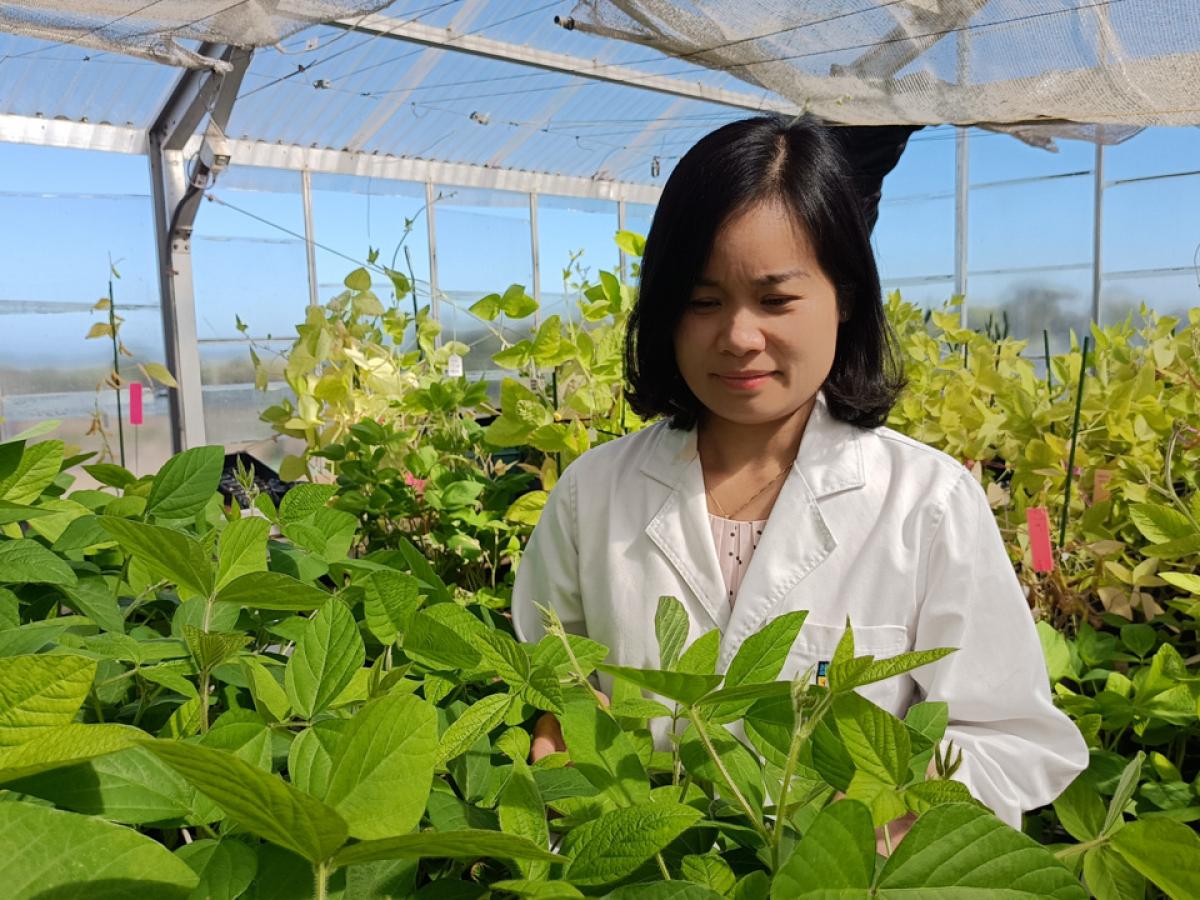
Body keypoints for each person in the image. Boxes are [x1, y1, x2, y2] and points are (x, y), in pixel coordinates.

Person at [510, 114, 1088, 837]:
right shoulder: (592, 495)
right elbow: (554, 676)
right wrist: (557, 738)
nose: (739, 337)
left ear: (844, 296)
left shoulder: (926, 503)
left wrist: (877, 813)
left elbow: (1012, 737)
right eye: (702, 301)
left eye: (777, 299)